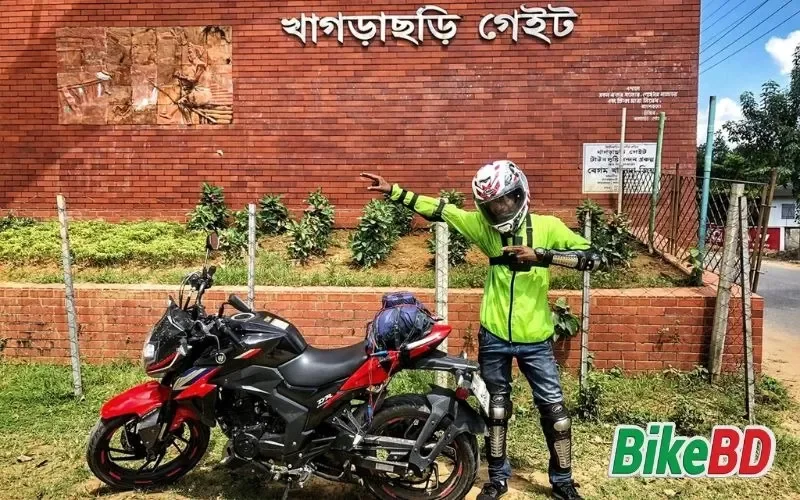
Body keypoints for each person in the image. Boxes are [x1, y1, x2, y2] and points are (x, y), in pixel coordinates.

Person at [361, 160, 600, 500]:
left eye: (506, 200)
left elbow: (593, 257)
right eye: (492, 205)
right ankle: (497, 478)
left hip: (536, 339)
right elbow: (442, 210)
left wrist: (542, 256)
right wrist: (394, 191)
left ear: (520, 193)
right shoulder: (485, 229)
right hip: (494, 336)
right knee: (496, 410)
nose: (501, 209)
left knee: (555, 413)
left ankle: (563, 480)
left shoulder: (548, 227)